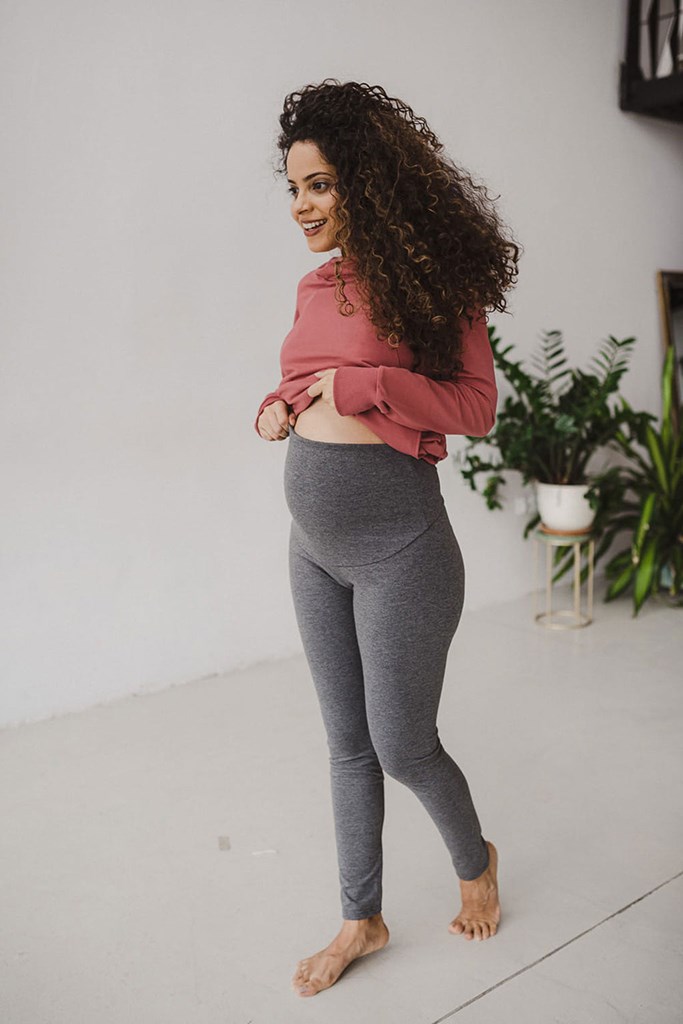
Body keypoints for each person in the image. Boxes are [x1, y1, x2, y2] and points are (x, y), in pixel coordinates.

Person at [254, 80, 521, 999]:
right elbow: (301, 379)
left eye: (320, 185)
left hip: (401, 551)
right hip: (312, 547)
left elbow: (475, 407)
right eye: (294, 189)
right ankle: (359, 918)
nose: (302, 206)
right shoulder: (313, 284)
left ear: (367, 181)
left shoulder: (436, 283)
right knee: (345, 744)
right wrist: (275, 406)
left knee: (402, 744)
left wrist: (368, 386)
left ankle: (475, 860)